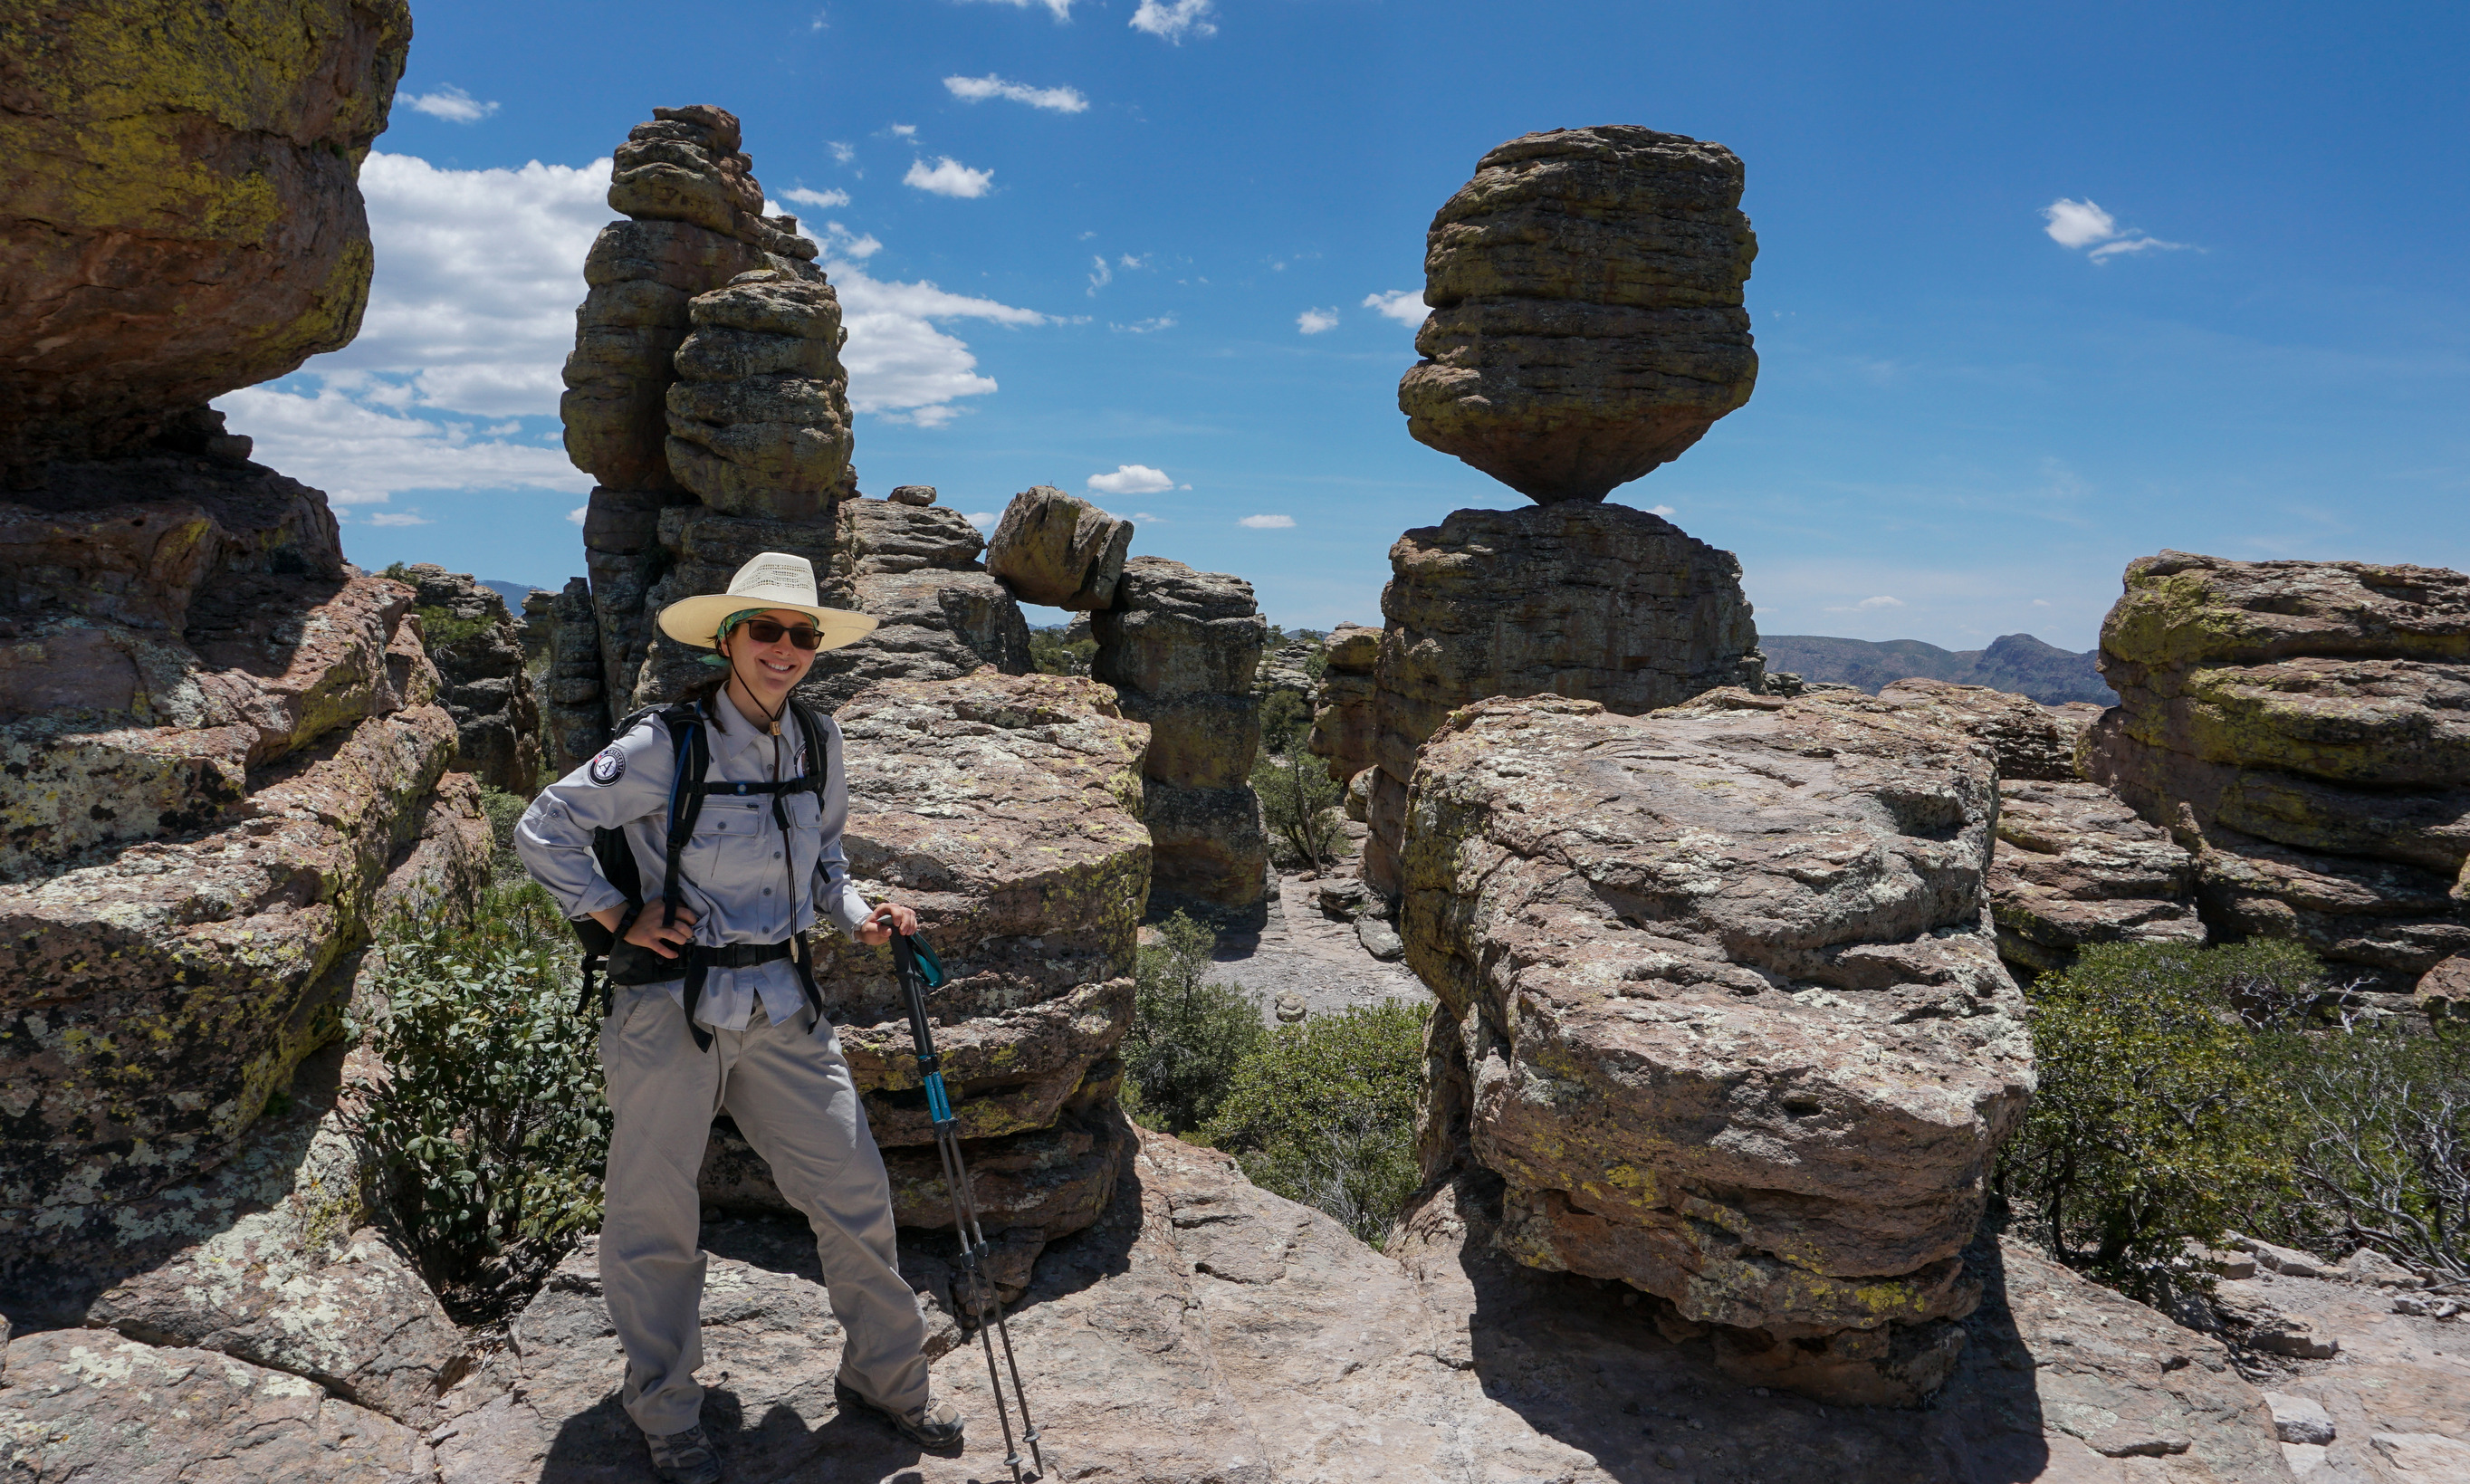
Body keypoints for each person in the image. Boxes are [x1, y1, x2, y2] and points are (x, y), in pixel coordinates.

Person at [515, 552, 963, 1484]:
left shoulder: (819, 742)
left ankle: (888, 1382)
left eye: (802, 634)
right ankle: (667, 1410)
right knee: (654, 1213)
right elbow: (543, 825)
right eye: (766, 630)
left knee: (854, 1192)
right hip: (667, 1009)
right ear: (728, 639)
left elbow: (829, 862)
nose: (786, 649)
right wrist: (615, 914)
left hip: (785, 1004)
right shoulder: (662, 743)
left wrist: (862, 913)